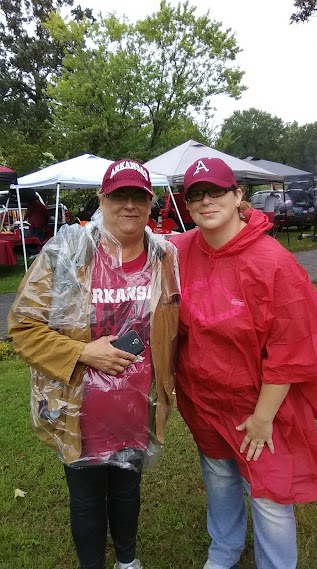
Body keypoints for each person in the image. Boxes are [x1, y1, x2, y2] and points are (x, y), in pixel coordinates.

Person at [8, 159, 180, 569]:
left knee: (127, 491)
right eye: (118, 195)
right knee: (86, 501)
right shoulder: (68, 253)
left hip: (137, 408)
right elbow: (22, 326)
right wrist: (84, 352)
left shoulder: (164, 257)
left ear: (151, 202)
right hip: (79, 411)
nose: (128, 205)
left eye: (138, 195)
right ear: (101, 199)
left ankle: (127, 560)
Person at [170, 157, 317, 569]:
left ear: (238, 196)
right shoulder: (179, 251)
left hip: (261, 406)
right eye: (195, 195)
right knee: (219, 477)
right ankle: (224, 550)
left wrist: (262, 417)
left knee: (269, 495)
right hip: (204, 400)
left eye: (215, 191)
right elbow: (127, 252)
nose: (205, 201)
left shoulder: (273, 263)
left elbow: (292, 348)